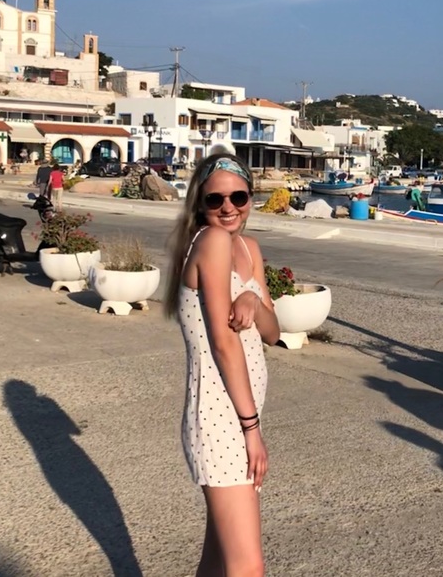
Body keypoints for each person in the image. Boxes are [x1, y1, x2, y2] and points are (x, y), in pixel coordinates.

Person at [164, 153, 280, 577]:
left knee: (218, 560)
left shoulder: (249, 248)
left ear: (251, 197)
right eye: (216, 199)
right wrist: (251, 430)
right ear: (200, 202)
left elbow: (272, 332)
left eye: (238, 196)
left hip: (240, 413)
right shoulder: (211, 241)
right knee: (247, 567)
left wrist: (252, 300)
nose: (228, 207)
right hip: (221, 421)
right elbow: (223, 343)